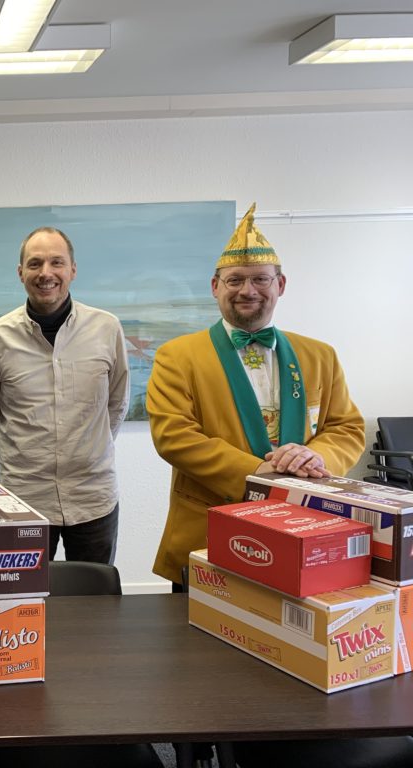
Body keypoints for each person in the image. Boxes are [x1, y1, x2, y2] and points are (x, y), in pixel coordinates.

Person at [148, 203, 365, 590]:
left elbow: (346, 427)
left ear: (281, 285)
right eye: (234, 280)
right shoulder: (176, 356)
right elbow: (173, 436)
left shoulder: (321, 355)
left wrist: (317, 457)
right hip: (207, 532)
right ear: (215, 287)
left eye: (261, 279)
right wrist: (260, 476)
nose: (247, 291)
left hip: (304, 530)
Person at [0, 226, 129, 564]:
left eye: (56, 262)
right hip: (24, 499)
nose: (46, 273)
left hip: (93, 498)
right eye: (35, 263)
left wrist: (90, 449)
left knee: (94, 591)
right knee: (24, 593)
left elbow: (116, 403)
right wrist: (28, 454)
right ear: (21, 273)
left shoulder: (107, 329)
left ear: (73, 269)